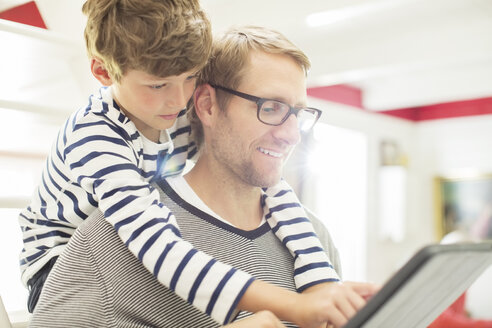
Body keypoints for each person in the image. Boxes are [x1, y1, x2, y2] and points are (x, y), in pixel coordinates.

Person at [29, 25, 378, 328]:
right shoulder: (109, 240)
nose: (292, 135)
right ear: (207, 105)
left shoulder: (314, 236)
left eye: (298, 114)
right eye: (270, 108)